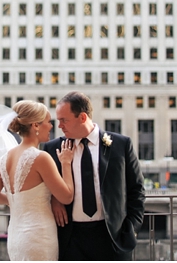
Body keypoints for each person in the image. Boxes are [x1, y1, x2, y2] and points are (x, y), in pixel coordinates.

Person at [43, 91, 145, 260]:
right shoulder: (52, 149)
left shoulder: (121, 144)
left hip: (112, 238)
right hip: (69, 238)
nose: (59, 126)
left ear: (82, 117)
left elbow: (137, 190)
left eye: (64, 120)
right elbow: (43, 187)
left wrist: (131, 229)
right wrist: (54, 199)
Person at [0, 100, 75, 261]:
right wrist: (66, 163)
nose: (51, 126)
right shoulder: (40, 158)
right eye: (48, 122)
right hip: (39, 237)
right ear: (35, 126)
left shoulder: (4, 159)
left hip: (16, 237)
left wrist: (16, 202)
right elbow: (66, 196)